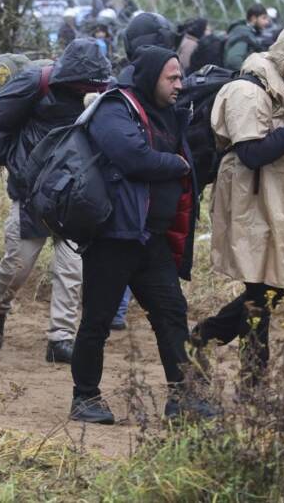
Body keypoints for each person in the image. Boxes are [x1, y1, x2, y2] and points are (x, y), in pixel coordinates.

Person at [69, 46, 215, 425]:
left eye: (181, 77)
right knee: (98, 320)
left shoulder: (167, 114)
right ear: (152, 77)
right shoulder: (114, 108)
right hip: (114, 237)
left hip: (151, 238)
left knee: (171, 313)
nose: (179, 84)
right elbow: (132, 156)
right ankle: (84, 397)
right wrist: (179, 165)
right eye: (172, 78)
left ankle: (182, 397)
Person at [192, 24, 284, 387]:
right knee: (261, 290)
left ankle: (202, 339)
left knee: (273, 285)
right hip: (249, 201)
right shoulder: (247, 91)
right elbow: (252, 154)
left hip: (279, 200)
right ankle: (252, 378)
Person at [0, 38, 112, 363]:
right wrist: (13, 162)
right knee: (18, 264)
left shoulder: (101, 92)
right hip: (32, 192)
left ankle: (61, 339)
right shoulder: (36, 81)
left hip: (75, 195)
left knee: (72, 269)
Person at [224, 3, 269, 72]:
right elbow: (234, 60)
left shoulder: (249, 32)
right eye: (264, 18)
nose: (267, 22)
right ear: (253, 18)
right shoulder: (242, 33)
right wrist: (251, 74)